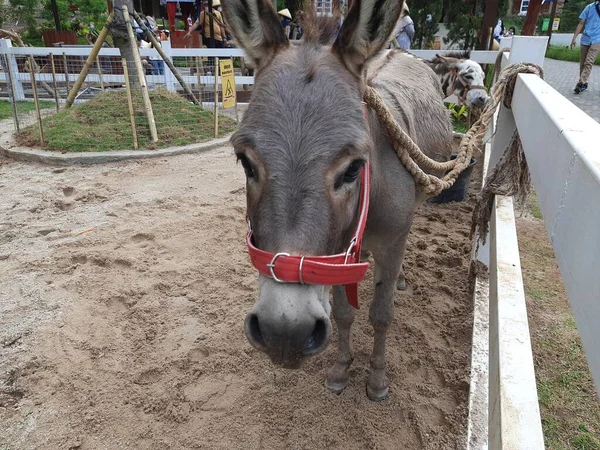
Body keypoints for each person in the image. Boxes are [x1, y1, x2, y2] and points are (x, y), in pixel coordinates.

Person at [571, 0, 600, 94]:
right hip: (585, 38)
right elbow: (581, 23)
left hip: (597, 39)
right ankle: (583, 83)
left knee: (589, 62)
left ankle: (581, 82)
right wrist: (574, 38)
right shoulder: (589, 7)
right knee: (582, 63)